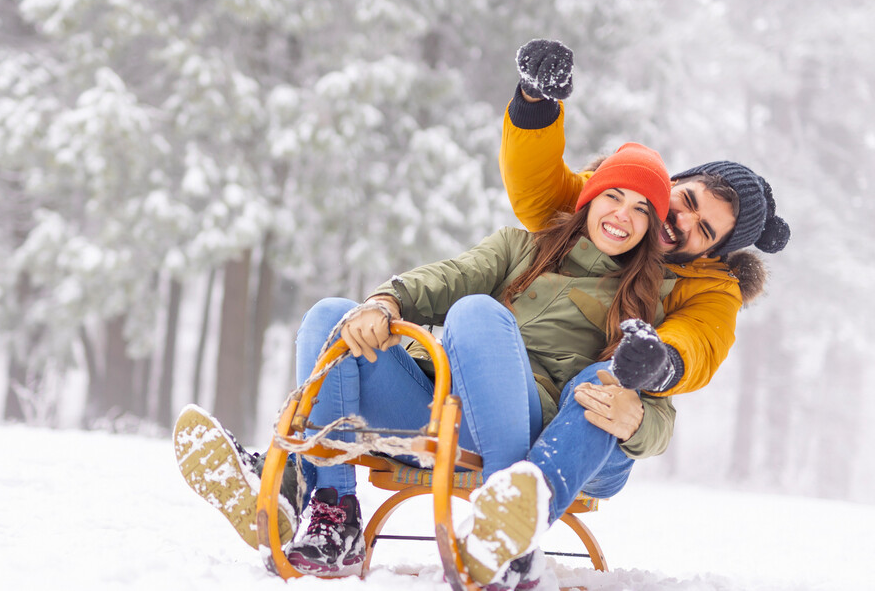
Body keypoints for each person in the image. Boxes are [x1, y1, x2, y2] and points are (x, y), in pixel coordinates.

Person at [175, 141, 676, 582]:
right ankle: (333, 514)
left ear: (652, 227)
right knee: (332, 316)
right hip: (433, 406)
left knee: (477, 312)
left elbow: (658, 410)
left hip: (517, 432)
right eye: (613, 196)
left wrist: (635, 422)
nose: (622, 215)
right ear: (589, 198)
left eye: (641, 209)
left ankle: (504, 519)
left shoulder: (645, 303)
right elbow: (449, 276)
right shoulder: (520, 247)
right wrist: (385, 302)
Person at [456, 38, 794, 590]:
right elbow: (540, 190)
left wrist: (661, 362)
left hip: (601, 428)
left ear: (714, 252)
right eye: (687, 201)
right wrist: (535, 105)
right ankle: (511, 529)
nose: (681, 222)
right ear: (673, 184)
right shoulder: (612, 210)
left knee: (604, 382)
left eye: (705, 230)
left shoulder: (708, 289)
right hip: (524, 393)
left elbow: (700, 339)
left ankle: (510, 522)